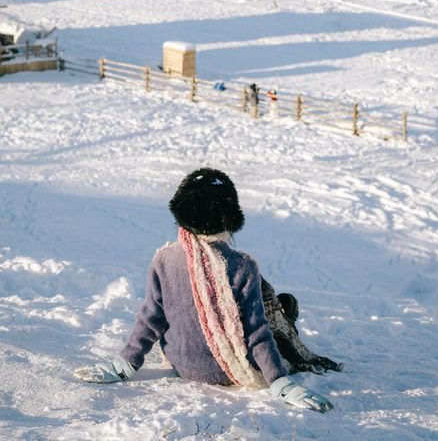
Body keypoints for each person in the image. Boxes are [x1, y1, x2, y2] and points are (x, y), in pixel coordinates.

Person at [74, 168, 337, 413]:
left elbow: (150, 319)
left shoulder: (164, 260)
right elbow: (257, 332)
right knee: (274, 313)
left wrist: (125, 363)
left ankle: (282, 310)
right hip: (231, 371)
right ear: (230, 217)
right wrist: (280, 382)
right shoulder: (243, 266)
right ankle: (284, 316)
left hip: (184, 366)